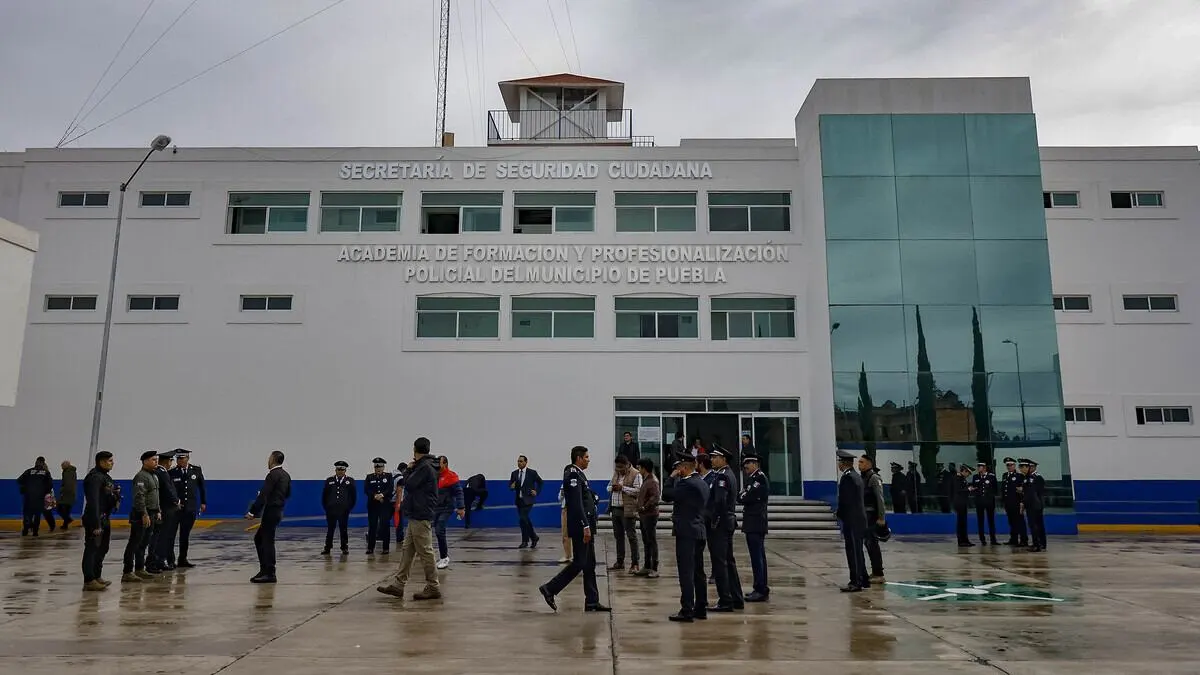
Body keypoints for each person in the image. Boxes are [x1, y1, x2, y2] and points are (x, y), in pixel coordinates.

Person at [537, 445, 609, 613]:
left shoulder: (580, 475)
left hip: (587, 524)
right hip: (580, 525)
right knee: (580, 562)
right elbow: (576, 504)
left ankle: (592, 601)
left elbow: (585, 498)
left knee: (590, 563)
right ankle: (550, 588)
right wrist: (585, 525)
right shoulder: (572, 474)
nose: (588, 460)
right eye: (586, 457)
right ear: (578, 458)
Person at [377, 437, 442, 601]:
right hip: (416, 513)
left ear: (415, 449)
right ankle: (399, 585)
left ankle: (433, 586)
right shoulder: (427, 465)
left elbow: (409, 483)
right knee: (407, 550)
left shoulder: (424, 467)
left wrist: (408, 469)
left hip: (421, 513)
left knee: (426, 551)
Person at [663, 455, 709, 622]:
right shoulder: (701, 482)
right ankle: (701, 607)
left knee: (686, 572)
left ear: (683, 467)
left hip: (687, 533)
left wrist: (671, 477)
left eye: (679, 468)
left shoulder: (686, 483)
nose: (678, 471)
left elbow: (666, 495)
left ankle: (687, 609)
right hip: (699, 530)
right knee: (698, 571)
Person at [244, 450, 292, 583]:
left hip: (271, 511)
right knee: (259, 539)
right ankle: (264, 569)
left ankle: (270, 572)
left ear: (273, 459)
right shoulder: (285, 475)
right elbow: (287, 493)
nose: (268, 460)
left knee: (267, 541)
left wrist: (252, 512)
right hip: (278, 510)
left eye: (269, 458)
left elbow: (263, 495)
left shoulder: (272, 475)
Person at [706, 447, 744, 611]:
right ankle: (736, 598)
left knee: (720, 562)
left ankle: (726, 600)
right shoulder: (728, 474)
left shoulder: (722, 476)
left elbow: (720, 501)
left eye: (715, 457)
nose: (712, 460)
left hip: (721, 523)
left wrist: (714, 519)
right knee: (728, 562)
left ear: (724, 459)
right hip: (726, 522)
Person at [81, 451, 118, 591]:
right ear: (101, 462)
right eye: (109, 461)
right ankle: (89, 579)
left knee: (103, 548)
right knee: (92, 549)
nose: (112, 463)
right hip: (95, 518)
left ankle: (97, 576)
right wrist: (96, 523)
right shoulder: (95, 478)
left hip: (104, 517)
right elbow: (94, 501)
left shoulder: (105, 477)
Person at [122, 451, 161, 583]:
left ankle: (139, 569)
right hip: (141, 514)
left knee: (144, 543)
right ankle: (127, 572)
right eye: (153, 460)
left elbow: (155, 495)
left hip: (152, 513)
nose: (156, 462)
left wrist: (158, 511)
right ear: (145, 461)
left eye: (157, 460)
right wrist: (144, 514)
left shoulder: (153, 476)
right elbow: (139, 497)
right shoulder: (141, 477)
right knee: (135, 543)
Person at [737, 454, 770, 602]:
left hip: (756, 522)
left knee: (757, 557)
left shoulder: (759, 478)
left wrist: (743, 495)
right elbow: (742, 496)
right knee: (757, 557)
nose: (745, 467)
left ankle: (761, 588)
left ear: (755, 464)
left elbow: (745, 497)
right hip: (753, 522)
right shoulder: (753, 478)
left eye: (748, 464)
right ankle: (759, 586)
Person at [835, 449, 869, 592]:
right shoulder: (856, 476)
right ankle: (864, 578)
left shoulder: (848, 478)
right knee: (858, 551)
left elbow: (846, 501)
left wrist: (840, 514)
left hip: (852, 519)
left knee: (853, 551)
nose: (838, 465)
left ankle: (856, 581)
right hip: (857, 519)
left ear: (844, 463)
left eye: (839, 462)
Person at [170, 448, 206, 568]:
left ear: (187, 458)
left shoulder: (196, 470)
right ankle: (170, 560)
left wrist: (203, 502)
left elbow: (202, 487)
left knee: (185, 535)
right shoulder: (172, 472)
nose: (180, 460)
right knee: (171, 534)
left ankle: (182, 559)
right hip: (176, 508)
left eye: (182, 458)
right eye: (178, 458)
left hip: (190, 507)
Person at [607, 455, 642, 574]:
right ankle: (619, 561)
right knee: (618, 537)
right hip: (615, 508)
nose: (618, 470)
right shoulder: (616, 474)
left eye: (621, 467)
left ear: (627, 465)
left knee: (631, 537)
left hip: (627, 509)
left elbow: (638, 490)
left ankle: (635, 563)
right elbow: (607, 487)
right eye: (617, 467)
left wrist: (623, 488)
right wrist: (613, 488)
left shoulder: (635, 474)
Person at [433, 456, 465, 569]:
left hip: (446, 508)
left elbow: (458, 492)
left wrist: (461, 507)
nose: (437, 465)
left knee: (440, 529)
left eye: (439, 463)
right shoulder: (434, 476)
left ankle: (444, 557)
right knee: (431, 531)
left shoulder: (451, 476)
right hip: (435, 508)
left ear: (445, 464)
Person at [859, 455, 886, 581]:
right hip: (865, 516)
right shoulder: (863, 478)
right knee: (868, 543)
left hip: (872, 516)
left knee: (872, 543)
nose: (859, 464)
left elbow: (880, 499)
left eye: (862, 462)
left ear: (869, 464)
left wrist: (881, 517)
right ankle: (875, 571)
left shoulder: (874, 478)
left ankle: (878, 573)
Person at [633, 457, 661, 578]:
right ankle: (647, 565)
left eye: (639, 467)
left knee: (651, 541)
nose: (638, 470)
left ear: (644, 468)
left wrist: (645, 506)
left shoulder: (652, 481)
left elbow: (655, 497)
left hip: (650, 515)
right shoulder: (646, 480)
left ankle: (654, 567)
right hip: (644, 515)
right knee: (646, 541)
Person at [322, 460, 356, 555]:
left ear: (345, 470)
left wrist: (348, 508)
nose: (340, 471)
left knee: (343, 529)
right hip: (331, 510)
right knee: (330, 529)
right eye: (338, 469)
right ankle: (327, 547)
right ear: (335, 470)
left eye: (342, 470)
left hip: (343, 511)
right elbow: (324, 496)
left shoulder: (350, 481)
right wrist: (327, 507)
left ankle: (344, 547)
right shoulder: (329, 481)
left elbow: (353, 497)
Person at [510, 456, 542, 548]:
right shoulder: (514, 473)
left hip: (528, 500)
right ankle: (534, 537)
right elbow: (511, 484)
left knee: (522, 519)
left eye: (521, 461)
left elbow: (540, 482)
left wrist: (536, 491)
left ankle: (525, 540)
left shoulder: (532, 473)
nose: (519, 463)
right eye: (518, 461)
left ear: (525, 462)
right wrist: (511, 486)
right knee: (525, 520)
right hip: (519, 500)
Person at [364, 457, 395, 555]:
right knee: (372, 527)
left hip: (385, 505)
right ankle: (370, 548)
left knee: (385, 526)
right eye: (376, 466)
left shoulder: (389, 476)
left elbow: (390, 489)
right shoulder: (369, 477)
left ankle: (386, 548)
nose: (378, 468)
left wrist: (382, 495)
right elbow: (367, 489)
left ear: (383, 467)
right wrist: (374, 496)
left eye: (380, 466)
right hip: (373, 506)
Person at [17, 456, 54, 536]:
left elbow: (19, 480)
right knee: (37, 515)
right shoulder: (46, 473)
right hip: (39, 498)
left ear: (36, 462)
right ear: (43, 463)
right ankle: (35, 531)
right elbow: (50, 485)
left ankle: (25, 530)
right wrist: (44, 491)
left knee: (27, 514)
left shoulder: (28, 471)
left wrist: (26, 486)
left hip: (28, 497)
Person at [1020, 458, 1047, 552]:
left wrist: (1024, 502)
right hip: (1031, 504)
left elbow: (1035, 493)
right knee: (1035, 525)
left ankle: (1038, 544)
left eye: (1025, 467)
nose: (1022, 469)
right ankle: (1038, 543)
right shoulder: (1027, 478)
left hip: (1035, 505)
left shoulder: (1036, 477)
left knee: (1036, 525)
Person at [1000, 457, 1027, 547]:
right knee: (1011, 522)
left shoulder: (1019, 476)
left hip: (1017, 503)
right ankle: (1013, 539)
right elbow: (1004, 489)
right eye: (1007, 465)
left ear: (1014, 465)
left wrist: (1022, 502)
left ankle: (1024, 540)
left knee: (1020, 521)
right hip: (1008, 503)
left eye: (1011, 465)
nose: (1009, 467)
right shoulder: (1004, 475)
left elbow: (1023, 490)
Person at [972, 461, 1000, 545]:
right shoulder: (975, 477)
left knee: (991, 521)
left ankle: (993, 539)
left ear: (984, 468)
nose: (978, 468)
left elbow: (995, 489)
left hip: (989, 502)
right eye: (978, 466)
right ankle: (982, 539)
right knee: (980, 521)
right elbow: (974, 488)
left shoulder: (991, 476)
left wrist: (990, 496)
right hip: (979, 502)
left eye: (980, 467)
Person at [952, 464, 974, 548]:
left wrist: (969, 489)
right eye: (968, 473)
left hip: (963, 502)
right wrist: (968, 489)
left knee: (964, 522)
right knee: (961, 522)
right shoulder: (957, 478)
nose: (968, 475)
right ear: (964, 471)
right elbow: (958, 490)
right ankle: (961, 541)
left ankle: (965, 540)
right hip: (959, 503)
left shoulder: (962, 478)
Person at [58, 460, 78, 529]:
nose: (61, 468)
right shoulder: (72, 471)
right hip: (71, 493)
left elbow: (67, 484)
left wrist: (62, 490)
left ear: (65, 466)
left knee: (60, 508)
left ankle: (68, 520)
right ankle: (65, 524)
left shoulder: (67, 472)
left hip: (67, 494)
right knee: (66, 510)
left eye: (62, 466)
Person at [393, 462, 408, 545]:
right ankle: (400, 538)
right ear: (404, 470)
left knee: (384, 520)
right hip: (397, 501)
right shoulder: (400, 478)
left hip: (388, 501)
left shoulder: (391, 474)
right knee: (399, 521)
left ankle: (379, 535)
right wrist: (398, 504)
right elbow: (399, 491)